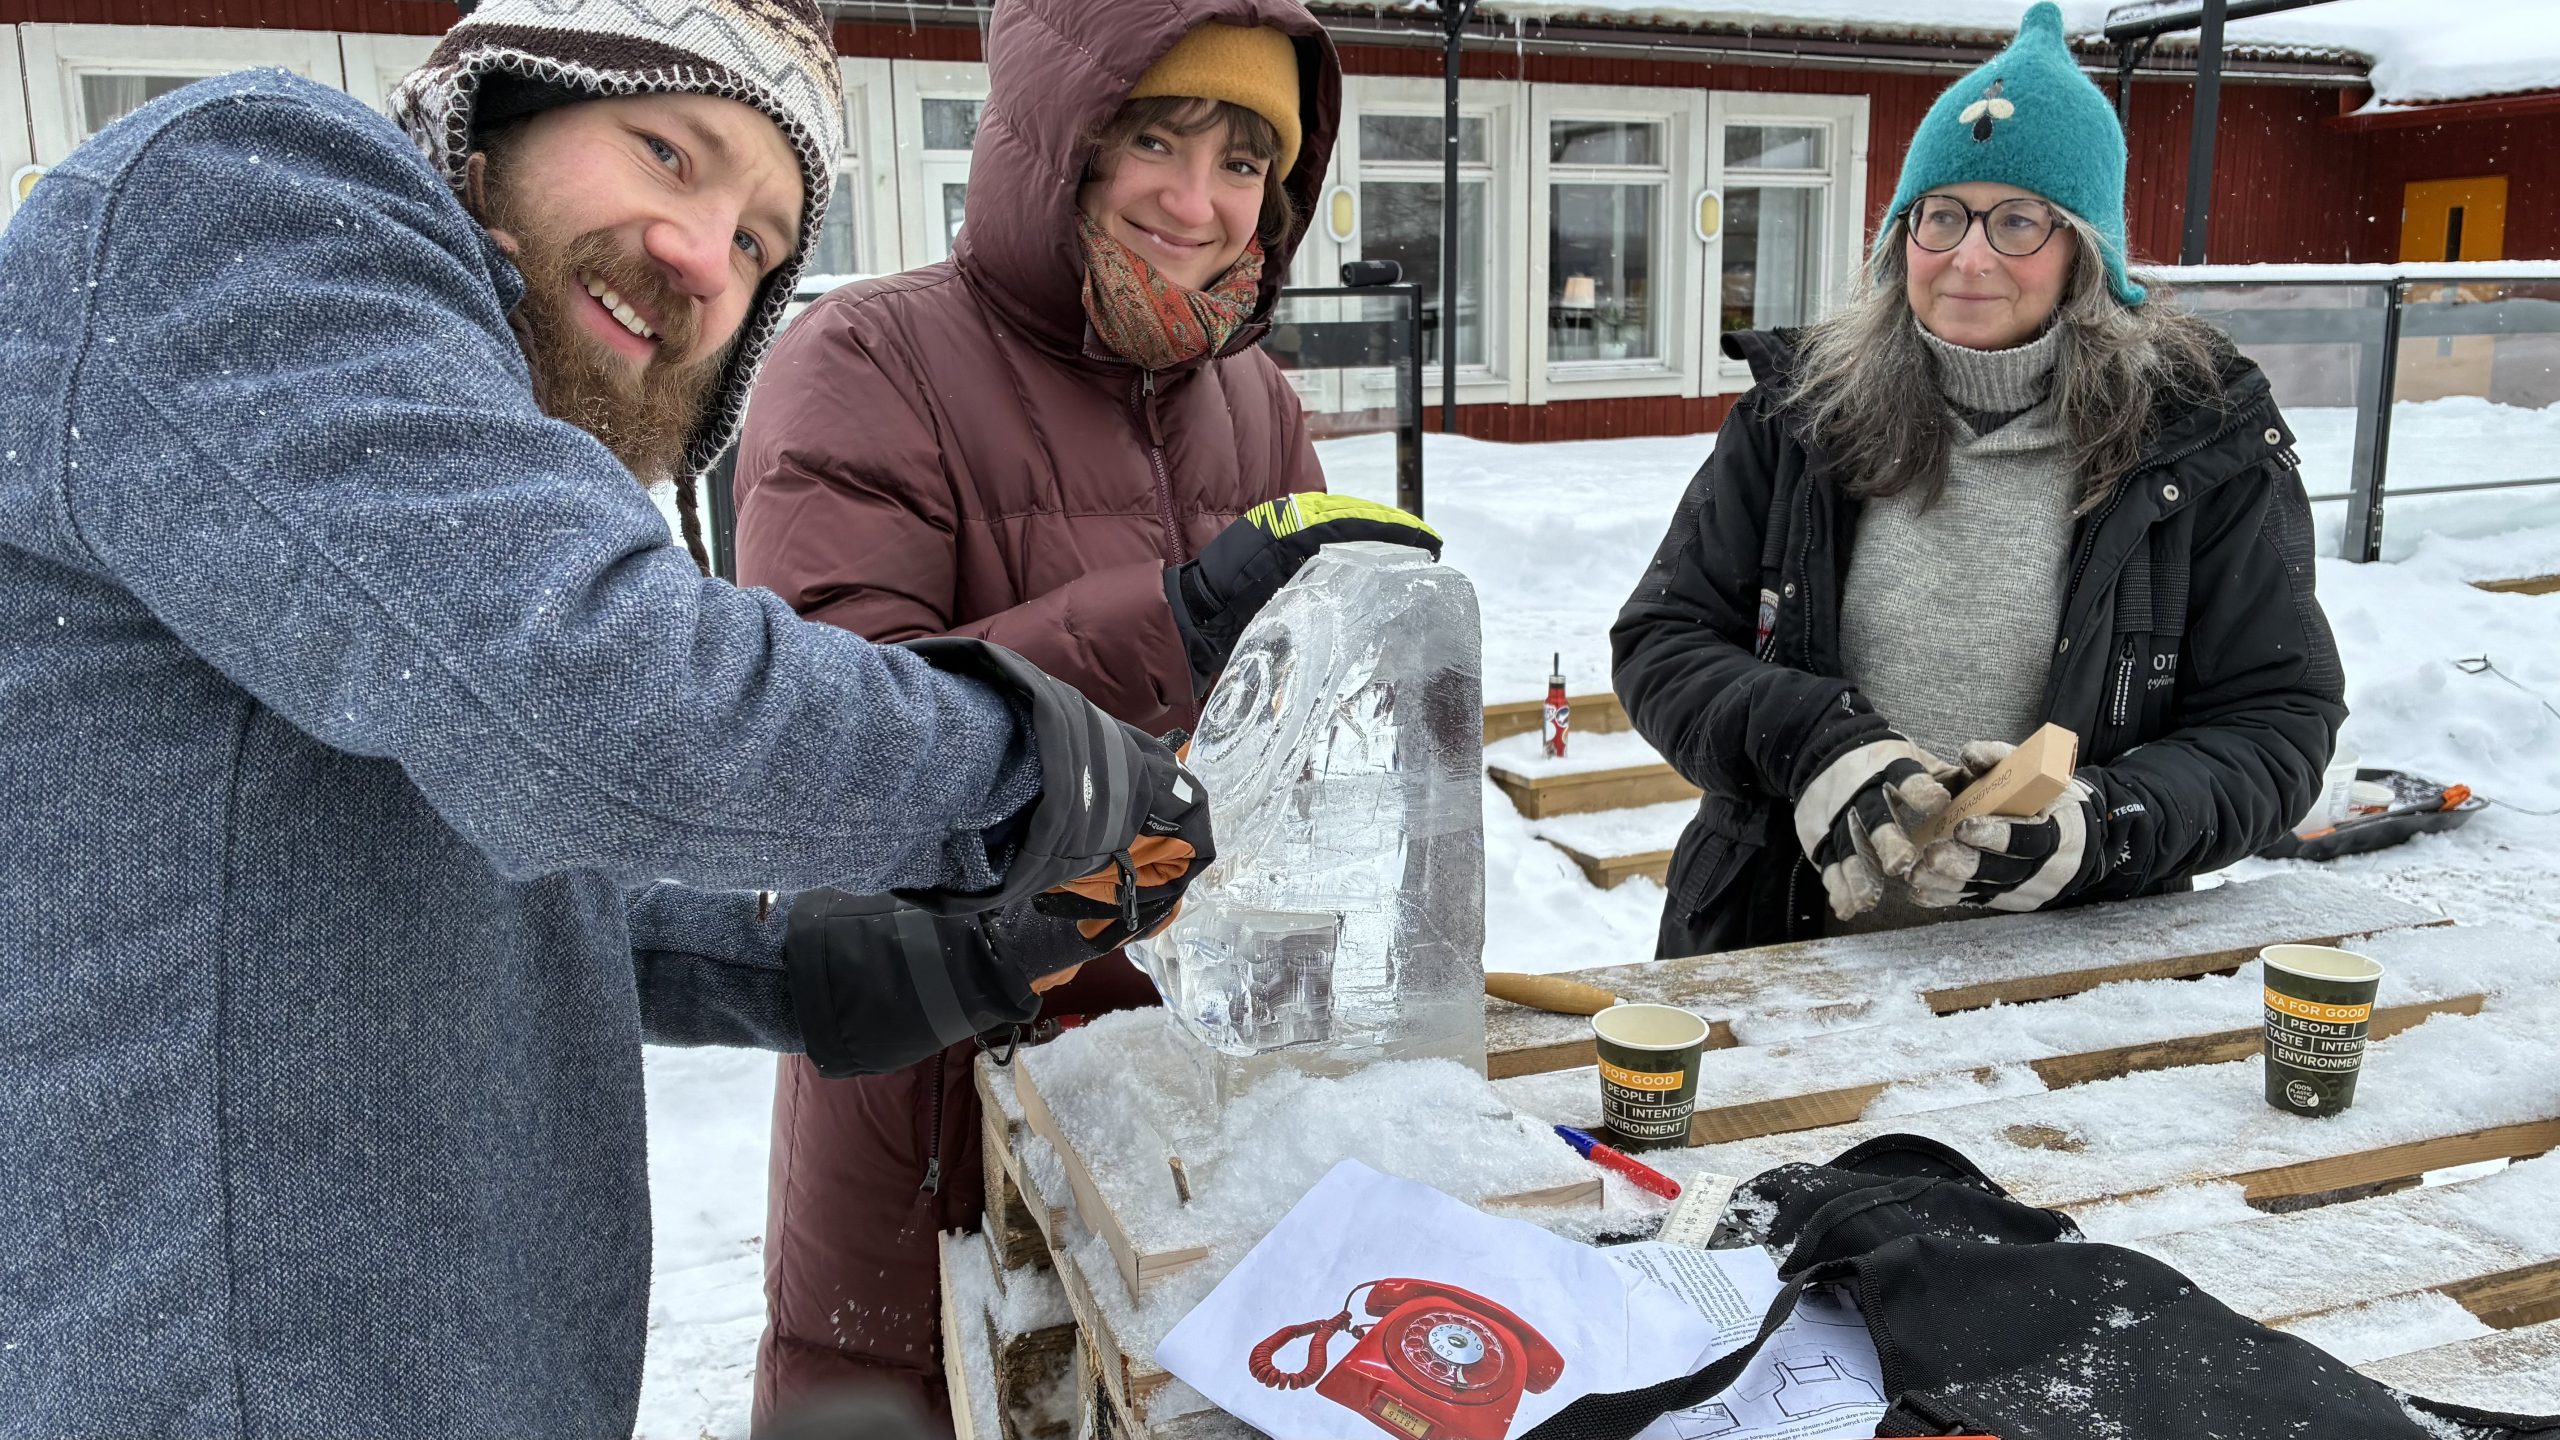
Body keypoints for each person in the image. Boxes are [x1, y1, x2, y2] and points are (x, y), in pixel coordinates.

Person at [0, 0, 1213, 1434]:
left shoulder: (410, 485)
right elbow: (607, 700)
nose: (706, 256)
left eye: (763, 244)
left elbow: (455, 861)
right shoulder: (250, 194)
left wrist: (834, 962)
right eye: (666, 151)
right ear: (507, 106)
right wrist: (1026, 764)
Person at [729, 0, 1438, 1423]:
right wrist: (1170, 621)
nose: (1198, 200)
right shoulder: (867, 362)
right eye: (1153, 138)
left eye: (1245, 159)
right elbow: (829, 752)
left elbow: (1281, 759)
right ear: (1056, 143)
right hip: (942, 1098)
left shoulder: (1255, 400)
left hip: (1195, 1116)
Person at [1612, 1, 2343, 957]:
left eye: (2019, 221)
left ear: (2086, 250)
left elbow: (2276, 722)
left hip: (2070, 968)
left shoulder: (2195, 444)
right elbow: (1664, 641)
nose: (1968, 256)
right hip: (1784, 935)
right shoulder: (1798, 419)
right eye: (1942, 214)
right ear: (1900, 238)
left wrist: (2100, 828)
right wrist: (1815, 743)